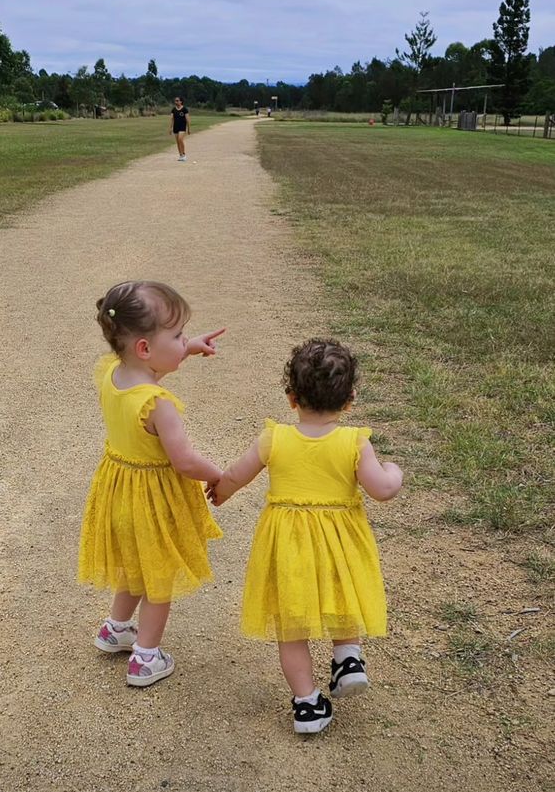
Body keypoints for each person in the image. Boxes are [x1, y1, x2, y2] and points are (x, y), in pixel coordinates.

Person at [208, 338, 403, 734]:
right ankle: (348, 658)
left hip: (289, 546)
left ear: (292, 398)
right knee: (341, 594)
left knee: (291, 626)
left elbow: (235, 476)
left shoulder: (274, 439)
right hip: (338, 542)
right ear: (350, 400)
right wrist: (394, 471)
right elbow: (382, 490)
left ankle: (307, 705)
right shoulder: (354, 442)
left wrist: (220, 492)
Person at [78, 280, 225, 687]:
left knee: (133, 565)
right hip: (152, 501)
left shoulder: (111, 374)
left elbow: (149, 364)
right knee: (159, 578)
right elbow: (184, 460)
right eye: (177, 336)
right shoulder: (159, 405)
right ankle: (146, 658)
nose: (183, 341)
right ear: (145, 348)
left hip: (118, 492)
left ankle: (115, 628)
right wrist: (219, 474)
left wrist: (188, 347)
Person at [170, 97, 190, 161]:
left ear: (181, 101)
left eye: (177, 100)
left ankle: (184, 154)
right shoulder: (173, 109)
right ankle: (181, 155)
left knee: (180, 139)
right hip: (176, 127)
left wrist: (189, 129)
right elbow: (172, 119)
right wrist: (170, 128)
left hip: (182, 127)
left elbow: (187, 120)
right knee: (178, 142)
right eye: (175, 101)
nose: (176, 102)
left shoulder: (184, 109)